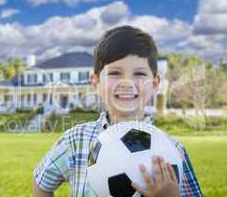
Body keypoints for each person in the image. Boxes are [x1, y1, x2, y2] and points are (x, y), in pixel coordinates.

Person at [33, 25, 203, 197]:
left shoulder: (172, 150)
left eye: (139, 74)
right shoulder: (75, 140)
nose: (127, 83)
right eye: (114, 73)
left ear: (155, 84)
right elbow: (41, 181)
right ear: (96, 83)